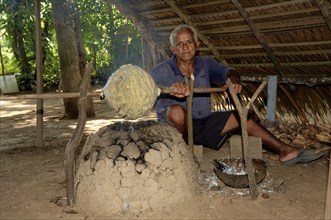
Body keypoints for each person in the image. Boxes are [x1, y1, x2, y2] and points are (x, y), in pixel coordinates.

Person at [150, 24, 325, 166]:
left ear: (197, 44)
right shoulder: (161, 70)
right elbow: (149, 86)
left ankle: (285, 151)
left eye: (189, 42)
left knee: (243, 115)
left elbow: (229, 71)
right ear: (172, 49)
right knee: (177, 112)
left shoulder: (206, 63)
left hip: (203, 125)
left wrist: (232, 80)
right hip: (176, 129)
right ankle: (182, 157)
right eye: (179, 44)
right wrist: (170, 88)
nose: (185, 47)